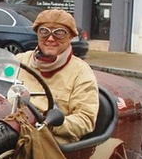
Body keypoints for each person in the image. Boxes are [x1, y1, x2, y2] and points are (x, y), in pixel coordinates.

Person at [15, 9, 99, 143]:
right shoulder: (19, 61)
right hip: (13, 129)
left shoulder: (81, 73)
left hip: (52, 140)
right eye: (44, 32)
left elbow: (85, 119)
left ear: (70, 37)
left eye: (59, 33)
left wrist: (48, 123)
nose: (50, 39)